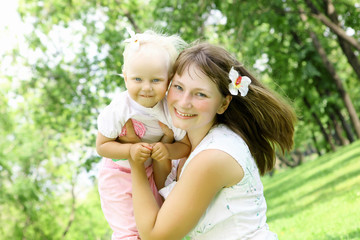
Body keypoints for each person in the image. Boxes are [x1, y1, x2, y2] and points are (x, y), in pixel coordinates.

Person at [127, 42, 297, 240]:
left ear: (223, 103)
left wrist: (135, 164)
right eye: (179, 87)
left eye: (200, 94)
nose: (184, 102)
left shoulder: (213, 156)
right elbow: (164, 195)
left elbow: (155, 236)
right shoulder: (187, 142)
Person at [96, 28, 191, 240]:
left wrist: (167, 149)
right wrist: (130, 149)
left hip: (152, 172)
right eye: (137, 79)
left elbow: (184, 146)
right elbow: (102, 146)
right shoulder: (120, 107)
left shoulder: (169, 109)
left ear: (168, 80)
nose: (146, 88)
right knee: (127, 228)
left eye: (156, 80)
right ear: (125, 77)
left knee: (154, 223)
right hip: (117, 172)